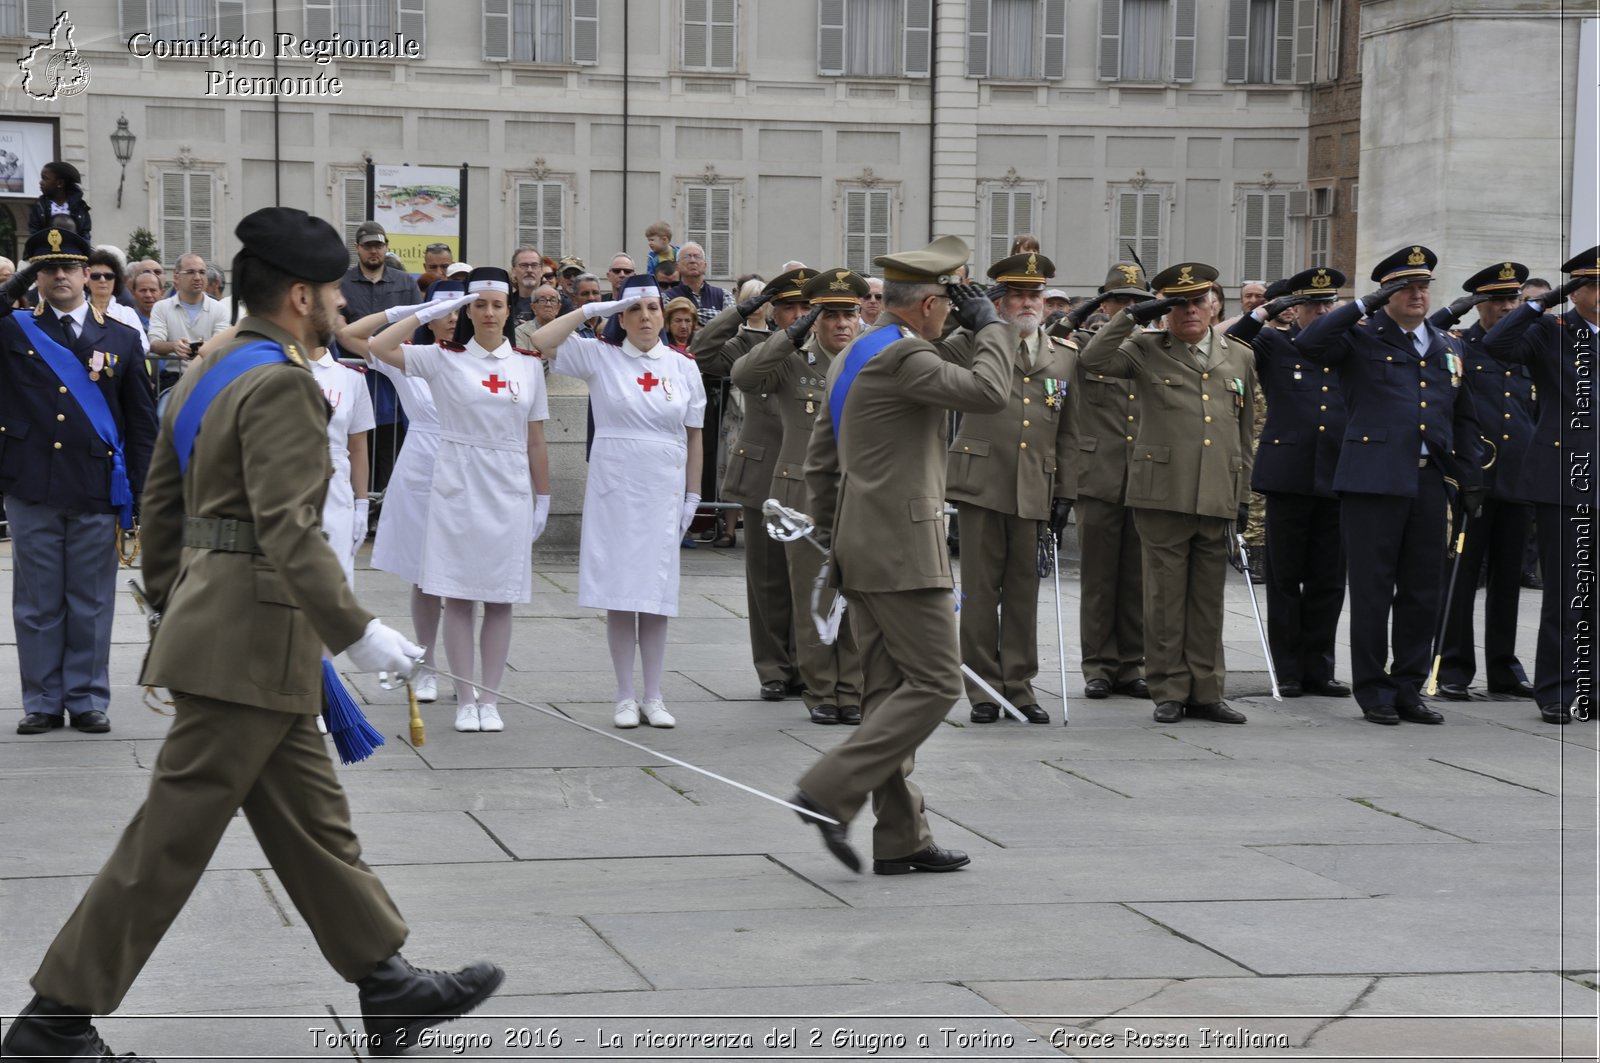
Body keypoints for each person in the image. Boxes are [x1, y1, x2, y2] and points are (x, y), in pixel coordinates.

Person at [0, 208, 502, 1062]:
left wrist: (175, 605)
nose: (344, 300)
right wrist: (356, 631)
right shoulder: (282, 383)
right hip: (252, 638)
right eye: (336, 288)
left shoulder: (214, 364)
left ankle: (386, 985)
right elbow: (289, 529)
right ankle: (54, 1018)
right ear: (302, 295)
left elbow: (162, 506)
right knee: (168, 841)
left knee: (314, 824)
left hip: (234, 630)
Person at [794, 235, 1014, 875]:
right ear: (927, 305)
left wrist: (837, 538)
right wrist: (994, 327)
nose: (956, 311)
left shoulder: (859, 354)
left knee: (888, 693)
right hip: (901, 548)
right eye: (951, 301)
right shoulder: (900, 358)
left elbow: (821, 464)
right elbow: (990, 394)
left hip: (862, 545)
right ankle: (827, 790)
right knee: (939, 682)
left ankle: (901, 837)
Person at [1295, 245, 1485, 726]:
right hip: (1372, 481)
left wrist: (1470, 477)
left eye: (1423, 287)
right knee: (1373, 590)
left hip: (1428, 481)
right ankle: (1373, 690)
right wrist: (1363, 304)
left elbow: (1461, 415)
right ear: (1388, 294)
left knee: (1423, 589)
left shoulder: (1448, 344)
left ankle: (1409, 686)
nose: (1418, 294)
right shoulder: (1360, 337)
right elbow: (1310, 344)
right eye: (1406, 287)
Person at [366, 268, 552, 734]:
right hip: (458, 481)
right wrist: (427, 311)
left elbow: (535, 440)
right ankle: (465, 698)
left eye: (497, 304)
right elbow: (379, 347)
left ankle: (491, 699)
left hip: (507, 485)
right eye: (479, 305)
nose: (488, 313)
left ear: (510, 310)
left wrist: (543, 496)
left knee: (502, 598)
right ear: (466, 310)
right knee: (461, 595)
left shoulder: (528, 364)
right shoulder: (442, 358)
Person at [1080, 262, 1258, 726]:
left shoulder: (1237, 354)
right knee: (1163, 599)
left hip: (1216, 490)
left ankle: (1207, 690)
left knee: (1207, 600)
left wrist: (1241, 496)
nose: (1189, 312)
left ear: (1213, 304)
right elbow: (1092, 361)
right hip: (1162, 492)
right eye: (1178, 305)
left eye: (1197, 302)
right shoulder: (1144, 348)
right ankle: (1169, 689)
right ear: (1165, 310)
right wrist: (1135, 316)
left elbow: (1242, 431)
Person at [529, 274, 705, 730]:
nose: (646, 318)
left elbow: (695, 435)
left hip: (663, 486)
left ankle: (654, 694)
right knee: (622, 592)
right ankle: (625, 695)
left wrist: (694, 494)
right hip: (616, 484)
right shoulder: (599, 356)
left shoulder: (683, 366)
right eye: (634, 310)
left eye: (652, 309)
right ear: (620, 317)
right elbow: (542, 339)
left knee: (657, 593)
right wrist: (590, 311)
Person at [0, 226, 157, 736]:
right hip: (32, 484)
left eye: (69, 266)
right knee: (38, 600)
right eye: (47, 267)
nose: (59, 275)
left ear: (89, 274)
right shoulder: (13, 329)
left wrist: (141, 495)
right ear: (36, 276)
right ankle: (43, 700)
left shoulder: (122, 336)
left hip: (96, 484)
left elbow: (140, 425)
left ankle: (87, 696)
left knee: (90, 601)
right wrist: (14, 284)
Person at [947, 252, 1077, 725]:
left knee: (1024, 591)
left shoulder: (1063, 356)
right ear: (998, 303)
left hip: (1034, 486)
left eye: (1034, 295)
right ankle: (983, 689)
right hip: (982, 481)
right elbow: (944, 354)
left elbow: (1070, 432)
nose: (1028, 303)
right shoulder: (973, 343)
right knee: (980, 591)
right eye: (1017, 295)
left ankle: (1019, 686)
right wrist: (972, 323)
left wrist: (1065, 492)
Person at [732, 268, 866, 726]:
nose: (842, 323)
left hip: (859, 493)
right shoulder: (794, 360)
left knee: (856, 597)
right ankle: (821, 690)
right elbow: (745, 376)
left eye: (849, 313)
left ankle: (853, 688)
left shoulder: (869, 360)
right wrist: (789, 335)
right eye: (831, 315)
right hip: (803, 495)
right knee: (813, 596)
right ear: (816, 318)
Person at [1483, 246, 1600, 724]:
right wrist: (1540, 303)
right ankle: (1556, 688)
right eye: (1594, 284)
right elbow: (1497, 346)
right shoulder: (1552, 332)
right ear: (1579, 289)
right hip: (1566, 481)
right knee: (1567, 590)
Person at [335, 280, 464, 707]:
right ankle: (424, 666)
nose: (450, 317)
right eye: (442, 310)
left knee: (464, 578)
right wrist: (407, 312)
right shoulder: (407, 357)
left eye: (455, 309)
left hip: (467, 464)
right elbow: (351, 336)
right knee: (425, 576)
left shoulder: (469, 360)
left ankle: (466, 675)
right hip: (422, 464)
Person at [1225, 267, 1351, 698]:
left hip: (1337, 475)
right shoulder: (1275, 344)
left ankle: (1321, 667)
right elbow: (1232, 341)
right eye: (1313, 304)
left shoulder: (1347, 345)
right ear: (1294, 309)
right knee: (1285, 579)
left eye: (1327, 303)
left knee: (1329, 581)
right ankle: (1288, 669)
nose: (1322, 310)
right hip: (1288, 475)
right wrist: (1264, 311)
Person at [1428, 261, 1537, 702]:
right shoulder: (1460, 345)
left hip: (1519, 478)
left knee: (1510, 579)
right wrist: (1454, 310)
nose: (1507, 307)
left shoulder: (1528, 345)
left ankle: (1504, 668)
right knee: (1462, 576)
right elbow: (1426, 333)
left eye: (1513, 299)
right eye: (1497, 300)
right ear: (1479, 305)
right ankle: (1453, 667)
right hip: (1473, 477)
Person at [691, 270, 802, 702]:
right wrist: (740, 311)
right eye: (788, 306)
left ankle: (806, 663)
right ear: (773, 312)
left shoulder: (820, 347)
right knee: (768, 579)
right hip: (763, 475)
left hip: (810, 473)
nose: (797, 315)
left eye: (803, 307)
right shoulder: (749, 345)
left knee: (808, 577)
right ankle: (774, 667)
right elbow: (700, 353)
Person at [1054, 264, 1155, 700]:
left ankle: (1131, 665)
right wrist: (1083, 313)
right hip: (1097, 475)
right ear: (1104, 303)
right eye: (1119, 301)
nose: (1129, 308)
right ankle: (1097, 665)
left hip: (1145, 475)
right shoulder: (1081, 346)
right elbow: (1047, 336)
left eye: (1137, 301)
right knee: (1098, 579)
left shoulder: (1156, 349)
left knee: (1136, 578)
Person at [340, 221, 419, 514]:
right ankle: (357, 507)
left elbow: (414, 323)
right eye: (368, 245)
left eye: (379, 245)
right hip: (356, 375)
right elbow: (338, 327)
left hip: (392, 380)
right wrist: (374, 353)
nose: (374, 251)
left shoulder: (405, 282)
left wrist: (384, 355)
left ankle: (384, 513)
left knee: (390, 444)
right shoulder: (342, 283)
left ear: (386, 247)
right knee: (357, 441)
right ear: (358, 248)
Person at [148, 252, 229, 373]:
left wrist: (206, 347)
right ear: (176, 277)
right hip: (173, 379)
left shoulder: (220, 309)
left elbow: (221, 346)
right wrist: (174, 346)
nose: (197, 277)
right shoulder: (161, 307)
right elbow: (154, 343)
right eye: (190, 272)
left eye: (202, 272)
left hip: (208, 377)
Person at [85, 247, 150, 357]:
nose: (102, 280)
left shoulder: (127, 314)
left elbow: (143, 346)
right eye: (95, 276)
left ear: (116, 280)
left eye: (108, 276)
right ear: (86, 279)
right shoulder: (77, 311)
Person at [663, 242, 728, 325]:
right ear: (677, 266)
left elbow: (730, 325)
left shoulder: (724, 295)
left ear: (705, 266)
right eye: (687, 257)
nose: (692, 261)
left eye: (697, 257)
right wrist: (715, 319)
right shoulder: (667, 297)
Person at [26, 161, 92, 242]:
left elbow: (85, 235)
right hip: (45, 251)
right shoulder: (39, 206)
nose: (41, 182)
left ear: (60, 183)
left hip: (73, 252)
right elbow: (34, 234)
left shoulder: (80, 207)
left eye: (45, 178)